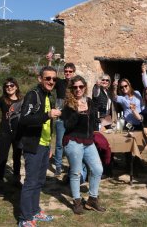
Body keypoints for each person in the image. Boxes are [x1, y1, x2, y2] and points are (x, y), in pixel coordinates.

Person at [17, 66, 61, 227]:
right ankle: (24, 218)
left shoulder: (49, 96)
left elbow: (48, 125)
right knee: (31, 181)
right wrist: (47, 115)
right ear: (40, 79)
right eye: (47, 78)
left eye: (54, 79)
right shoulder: (33, 95)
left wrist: (49, 144)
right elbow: (24, 119)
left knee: (39, 181)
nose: (51, 81)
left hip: (43, 145)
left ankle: (35, 211)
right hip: (32, 144)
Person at [61, 75, 106, 215]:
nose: (78, 89)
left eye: (81, 86)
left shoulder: (90, 102)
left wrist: (100, 125)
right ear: (71, 89)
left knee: (98, 169)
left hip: (88, 141)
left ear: (85, 87)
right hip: (73, 141)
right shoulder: (68, 105)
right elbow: (67, 125)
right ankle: (77, 201)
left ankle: (92, 199)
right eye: (75, 87)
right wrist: (77, 112)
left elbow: (93, 119)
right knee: (76, 172)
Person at [0, 77, 23, 196]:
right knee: (3, 157)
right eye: (7, 86)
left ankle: (16, 180)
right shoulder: (3, 99)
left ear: (16, 87)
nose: (9, 88)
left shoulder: (22, 100)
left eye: (11, 85)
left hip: (18, 133)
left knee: (17, 156)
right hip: (4, 132)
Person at [53, 63, 76, 176]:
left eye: (70, 71)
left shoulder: (76, 84)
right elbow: (50, 75)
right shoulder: (60, 82)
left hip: (72, 118)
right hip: (60, 117)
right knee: (59, 143)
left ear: (73, 72)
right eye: (66, 71)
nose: (67, 73)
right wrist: (50, 60)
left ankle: (73, 165)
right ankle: (58, 166)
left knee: (73, 143)